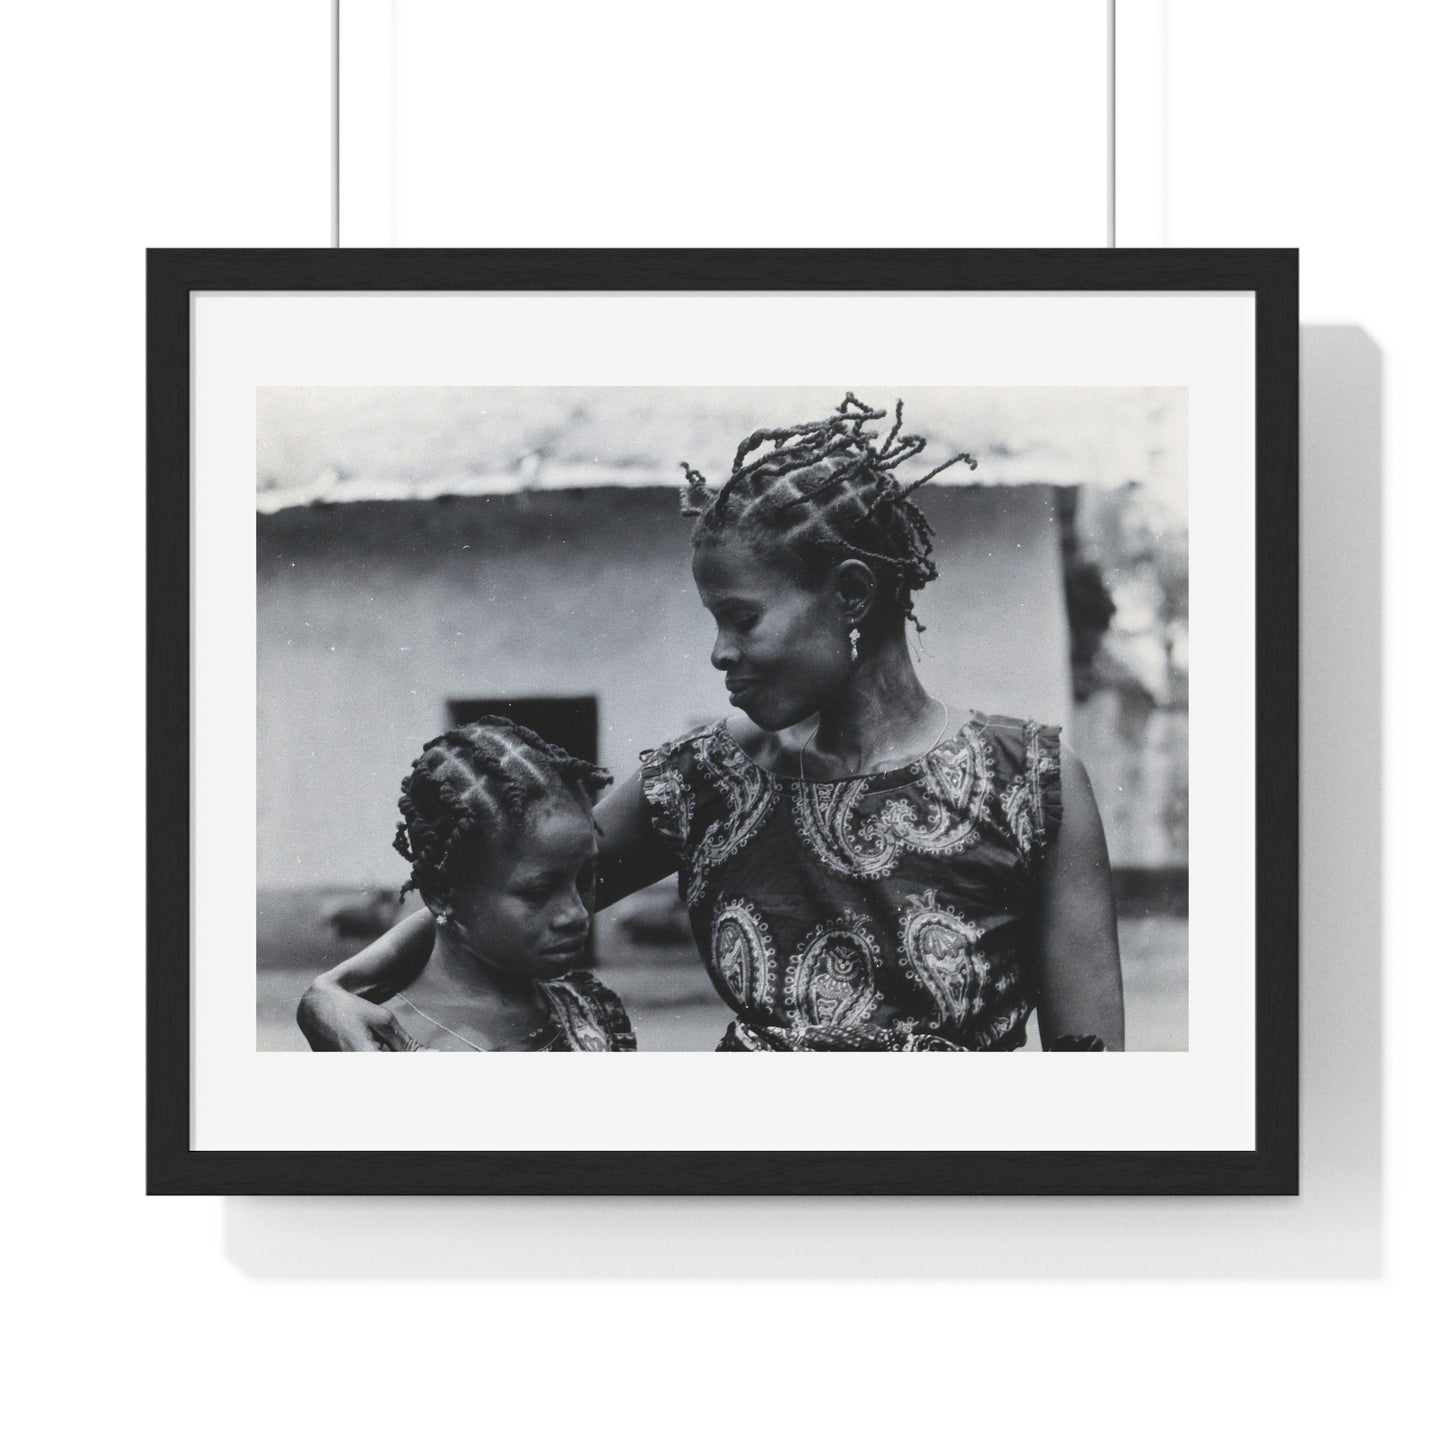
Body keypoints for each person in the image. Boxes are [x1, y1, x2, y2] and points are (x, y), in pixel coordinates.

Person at [300, 395, 1123, 1051]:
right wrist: (332, 991)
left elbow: (1091, 1087)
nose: (719, 653)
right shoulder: (703, 782)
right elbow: (495, 881)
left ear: (849, 595)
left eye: (740, 618)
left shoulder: (1030, 787)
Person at [298, 717, 634, 1052]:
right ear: (442, 893)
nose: (576, 913)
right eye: (538, 892)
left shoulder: (592, 1009)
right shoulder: (375, 1040)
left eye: (587, 878)